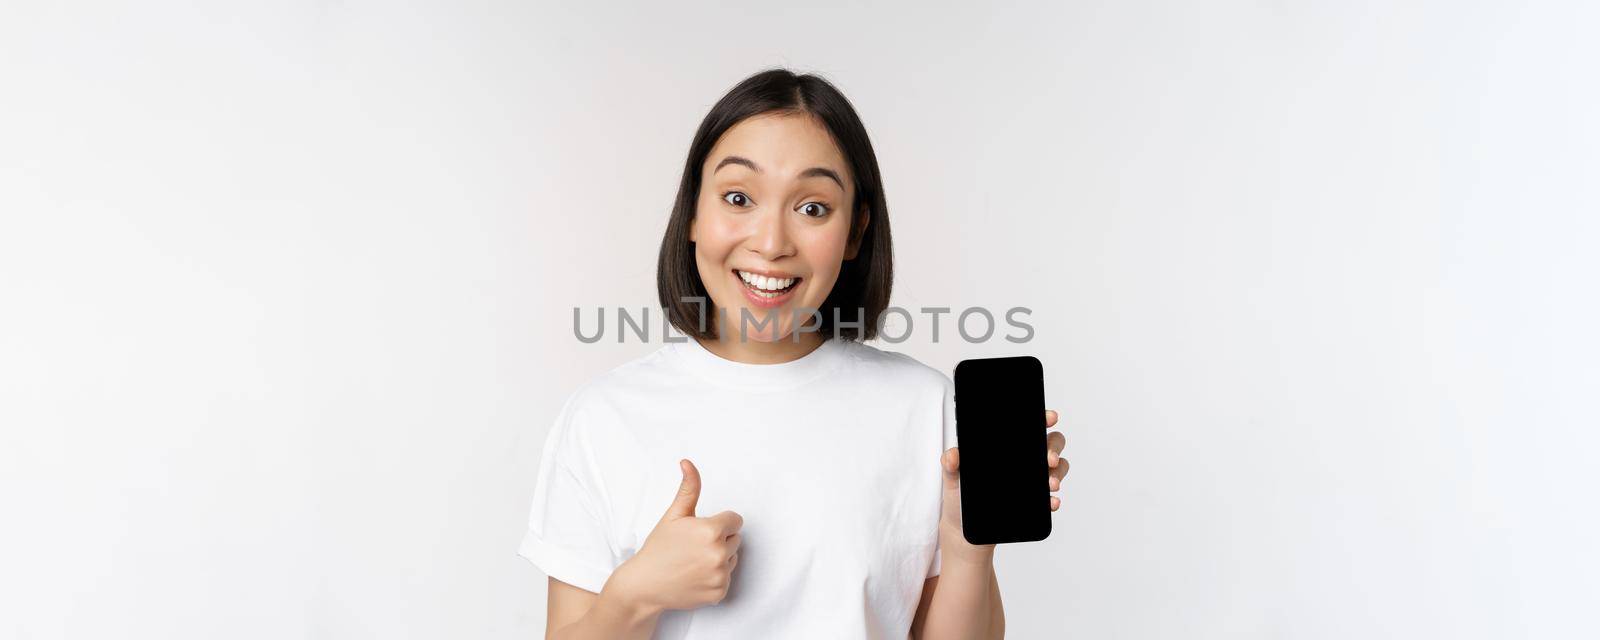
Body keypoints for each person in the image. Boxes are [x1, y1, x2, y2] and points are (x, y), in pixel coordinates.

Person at [518, 67, 1069, 639]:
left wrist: (965, 547)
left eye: (813, 208)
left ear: (855, 233)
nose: (772, 243)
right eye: (738, 197)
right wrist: (635, 595)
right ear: (692, 216)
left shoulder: (926, 409)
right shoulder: (603, 417)